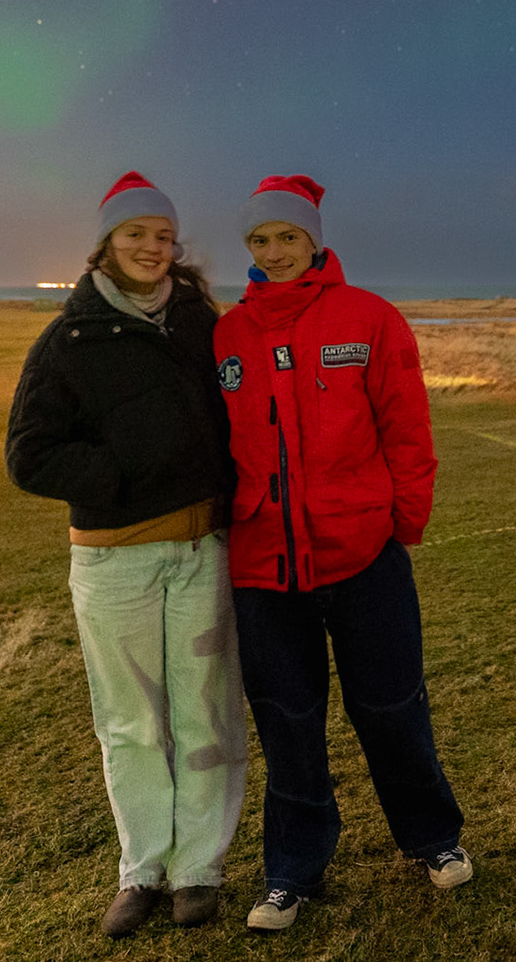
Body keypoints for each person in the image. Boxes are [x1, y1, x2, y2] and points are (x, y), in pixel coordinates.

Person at [211, 173, 470, 932]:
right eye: (260, 241)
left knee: (390, 709)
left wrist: (402, 528)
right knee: (287, 720)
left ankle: (432, 839)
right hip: (265, 568)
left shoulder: (370, 319)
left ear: (314, 239)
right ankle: (291, 869)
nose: (274, 251)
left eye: (288, 237)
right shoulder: (228, 334)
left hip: (365, 559)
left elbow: (408, 432)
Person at [5, 172, 246, 938]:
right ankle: (143, 869)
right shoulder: (69, 339)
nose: (151, 246)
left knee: (206, 713)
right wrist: (122, 476)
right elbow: (30, 455)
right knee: (132, 722)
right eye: (135, 233)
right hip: (114, 561)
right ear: (107, 244)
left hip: (202, 548)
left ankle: (199, 869)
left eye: (162, 235)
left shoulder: (199, 324)